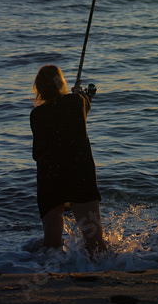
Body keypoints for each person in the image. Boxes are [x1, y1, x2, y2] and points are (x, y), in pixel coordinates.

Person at [30, 64, 106, 256]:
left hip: (50, 178)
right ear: (60, 83)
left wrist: (79, 97)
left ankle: (49, 273)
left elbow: (37, 152)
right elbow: (83, 108)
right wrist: (81, 95)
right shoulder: (76, 102)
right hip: (79, 174)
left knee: (52, 243)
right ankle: (103, 271)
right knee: (95, 242)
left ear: (39, 89)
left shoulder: (36, 114)